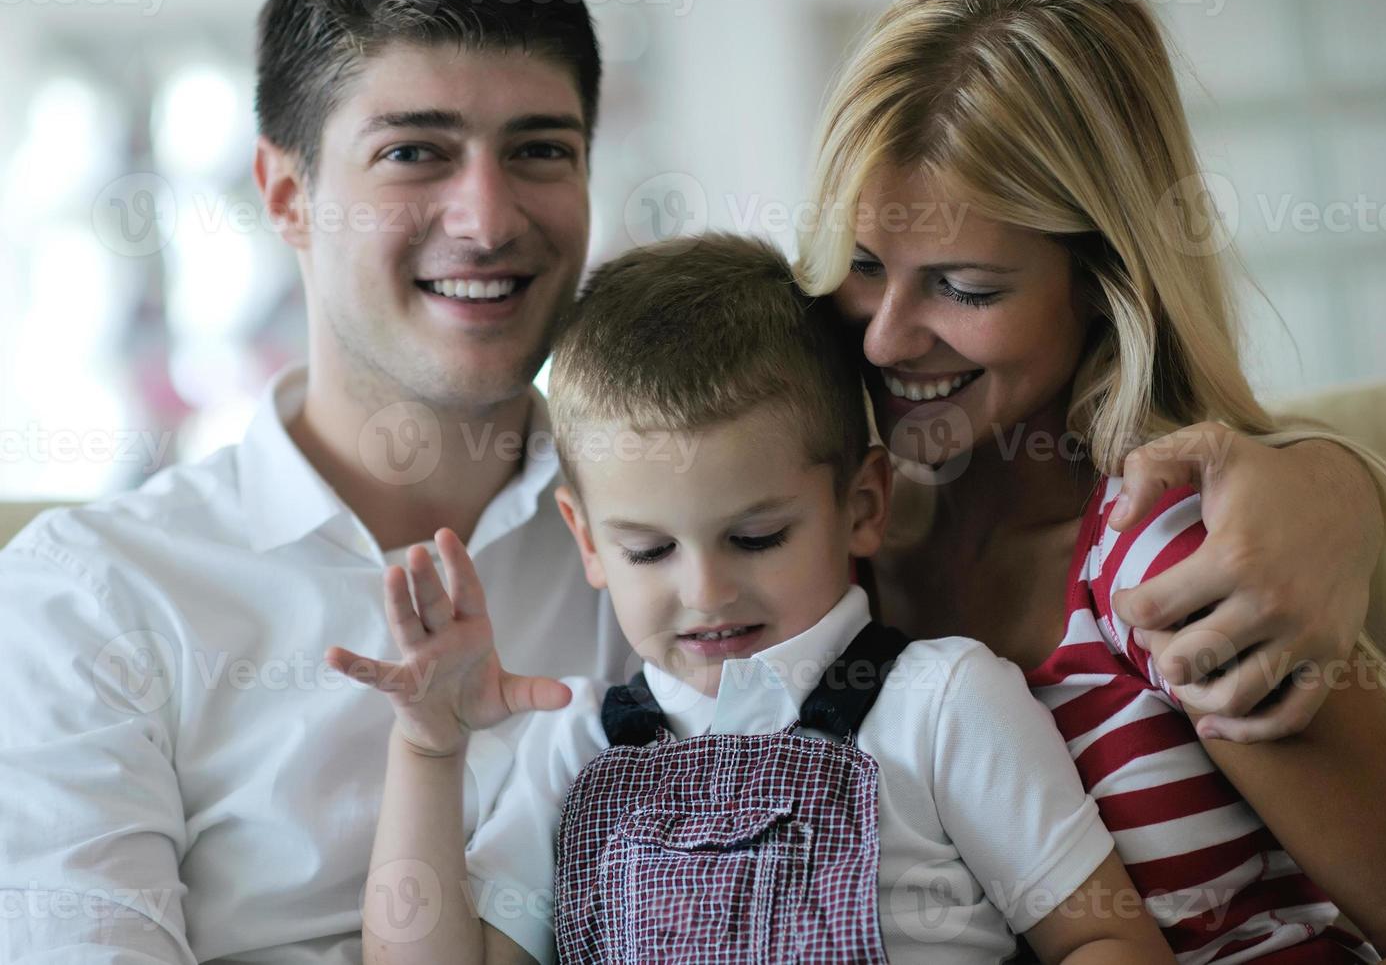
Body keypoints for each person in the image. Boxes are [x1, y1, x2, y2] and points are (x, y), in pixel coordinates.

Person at [0, 0, 1386, 959]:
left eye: (538, 149)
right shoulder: (92, 600)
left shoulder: (773, 522)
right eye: (415, 152)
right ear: (287, 194)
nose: (483, 218)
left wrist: (1328, 484)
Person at [796, 0, 1386, 957]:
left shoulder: (1174, 562)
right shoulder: (824, 556)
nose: (891, 334)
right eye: (864, 266)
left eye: (965, 286)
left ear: (1103, 282)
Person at [330, 232, 1178, 963]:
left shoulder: (943, 703)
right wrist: (429, 751)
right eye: (649, 550)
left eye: (757, 538)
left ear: (863, 506)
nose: (705, 591)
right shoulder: (574, 747)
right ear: (587, 541)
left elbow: (1104, 940)